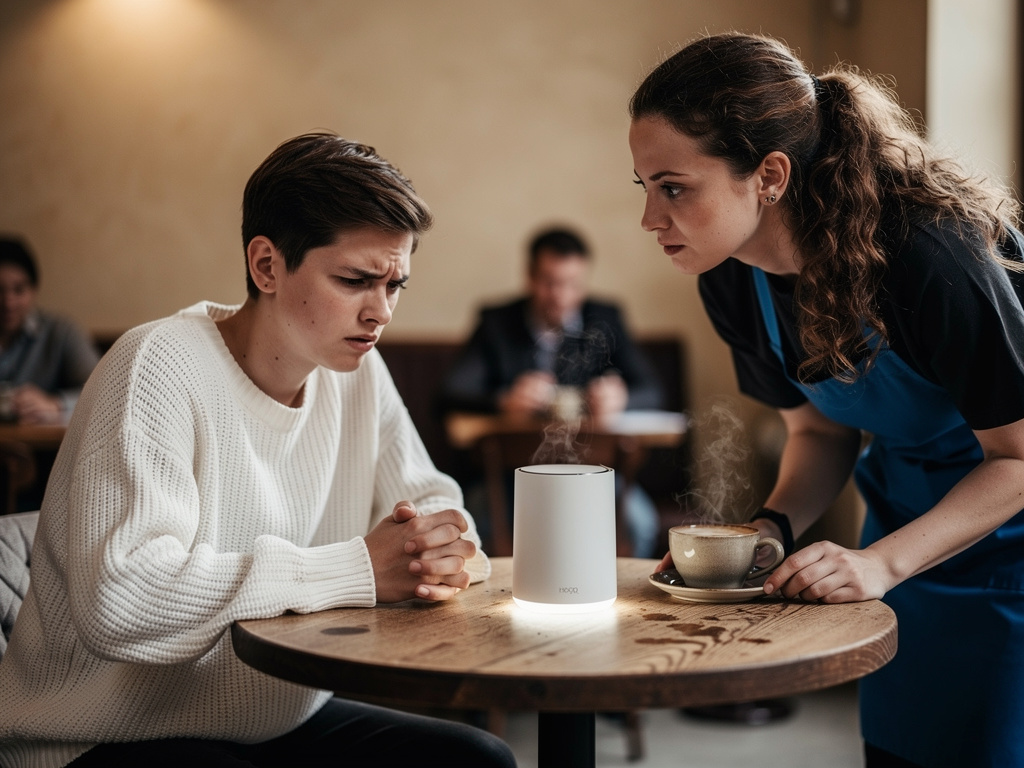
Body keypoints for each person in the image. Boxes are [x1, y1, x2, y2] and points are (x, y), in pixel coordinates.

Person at [0, 133, 516, 768]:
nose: (381, 313)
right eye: (355, 280)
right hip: (102, 734)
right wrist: (356, 569)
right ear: (267, 265)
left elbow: (434, 500)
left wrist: (437, 547)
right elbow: (121, 599)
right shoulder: (155, 366)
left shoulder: (357, 372)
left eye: (396, 284)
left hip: (276, 716)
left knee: (478, 759)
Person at [629, 32, 1024, 768]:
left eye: (674, 187)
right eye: (644, 186)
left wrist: (881, 565)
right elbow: (817, 432)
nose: (651, 219)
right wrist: (771, 528)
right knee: (901, 748)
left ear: (769, 175)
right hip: (903, 521)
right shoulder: (730, 274)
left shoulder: (927, 254)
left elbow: (1019, 458)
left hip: (1005, 538)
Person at [441, 226, 664, 556]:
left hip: (595, 477)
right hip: (508, 478)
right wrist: (503, 400)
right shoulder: (497, 322)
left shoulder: (606, 317)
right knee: (478, 524)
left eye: (572, 284)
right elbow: (451, 390)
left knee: (639, 524)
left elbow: (653, 390)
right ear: (529, 277)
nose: (560, 295)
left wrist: (620, 397)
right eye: (549, 282)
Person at [0, 237, 100, 425]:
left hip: (44, 451)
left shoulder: (61, 331)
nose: (8, 302)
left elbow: (102, 391)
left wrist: (56, 404)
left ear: (33, 290)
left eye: (19, 290)